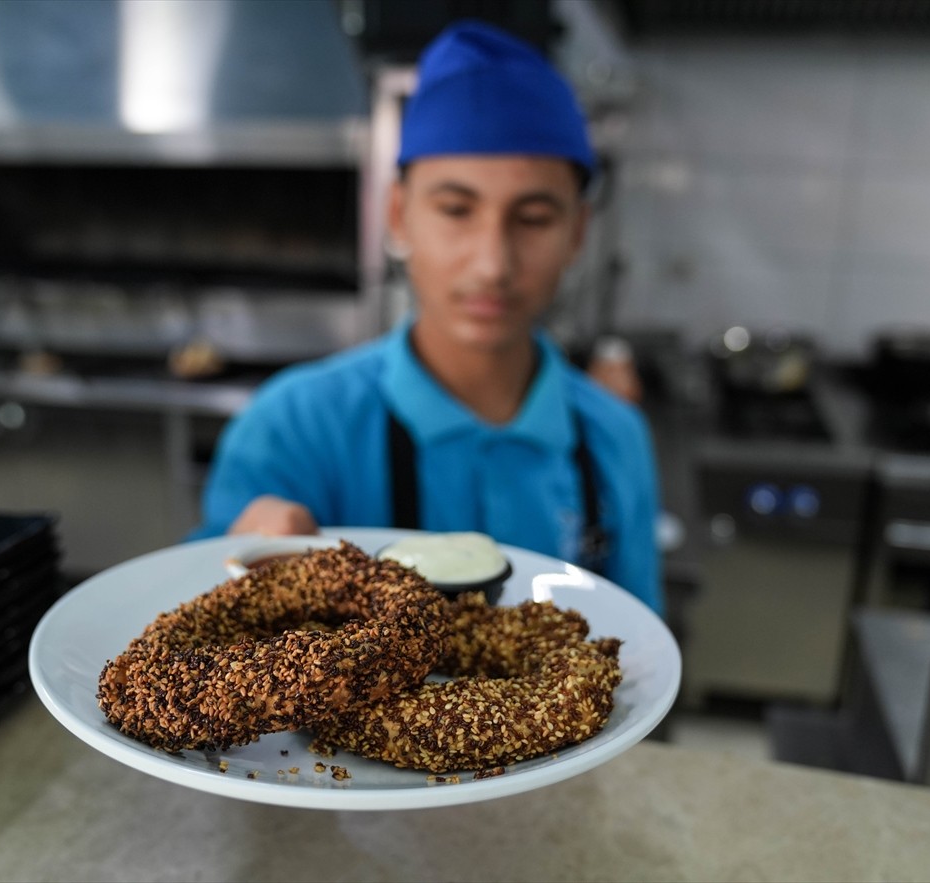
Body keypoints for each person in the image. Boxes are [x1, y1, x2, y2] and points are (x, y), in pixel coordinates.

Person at [189, 21, 662, 614]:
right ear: (398, 215)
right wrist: (235, 570)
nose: (493, 264)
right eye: (457, 210)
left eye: (534, 217)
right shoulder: (294, 428)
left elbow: (642, 660)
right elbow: (190, 624)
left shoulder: (613, 439)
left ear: (578, 234)